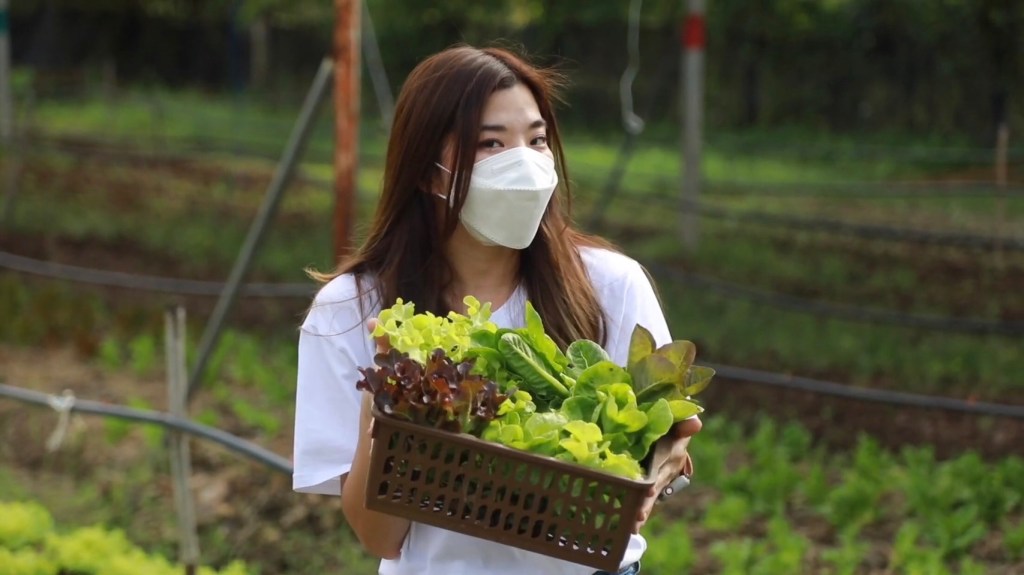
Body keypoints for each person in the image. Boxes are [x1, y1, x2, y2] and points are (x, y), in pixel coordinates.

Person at [292, 44, 701, 575]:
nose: (525, 164)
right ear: (427, 170)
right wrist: (387, 402)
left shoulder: (610, 285)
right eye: (491, 144)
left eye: (536, 140)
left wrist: (663, 463)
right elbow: (380, 537)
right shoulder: (350, 310)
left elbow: (665, 440)